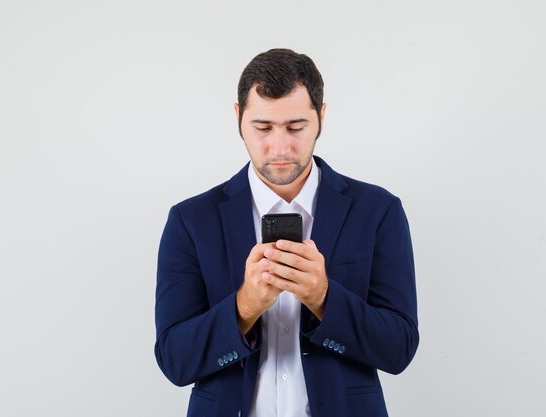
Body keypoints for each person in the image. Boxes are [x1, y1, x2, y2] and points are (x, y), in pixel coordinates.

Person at [154, 48, 419, 417]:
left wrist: (324, 298)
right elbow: (174, 360)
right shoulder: (190, 220)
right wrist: (245, 306)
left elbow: (399, 349)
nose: (279, 148)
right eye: (262, 128)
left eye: (296, 127)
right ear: (238, 119)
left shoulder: (378, 211)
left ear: (321, 118)